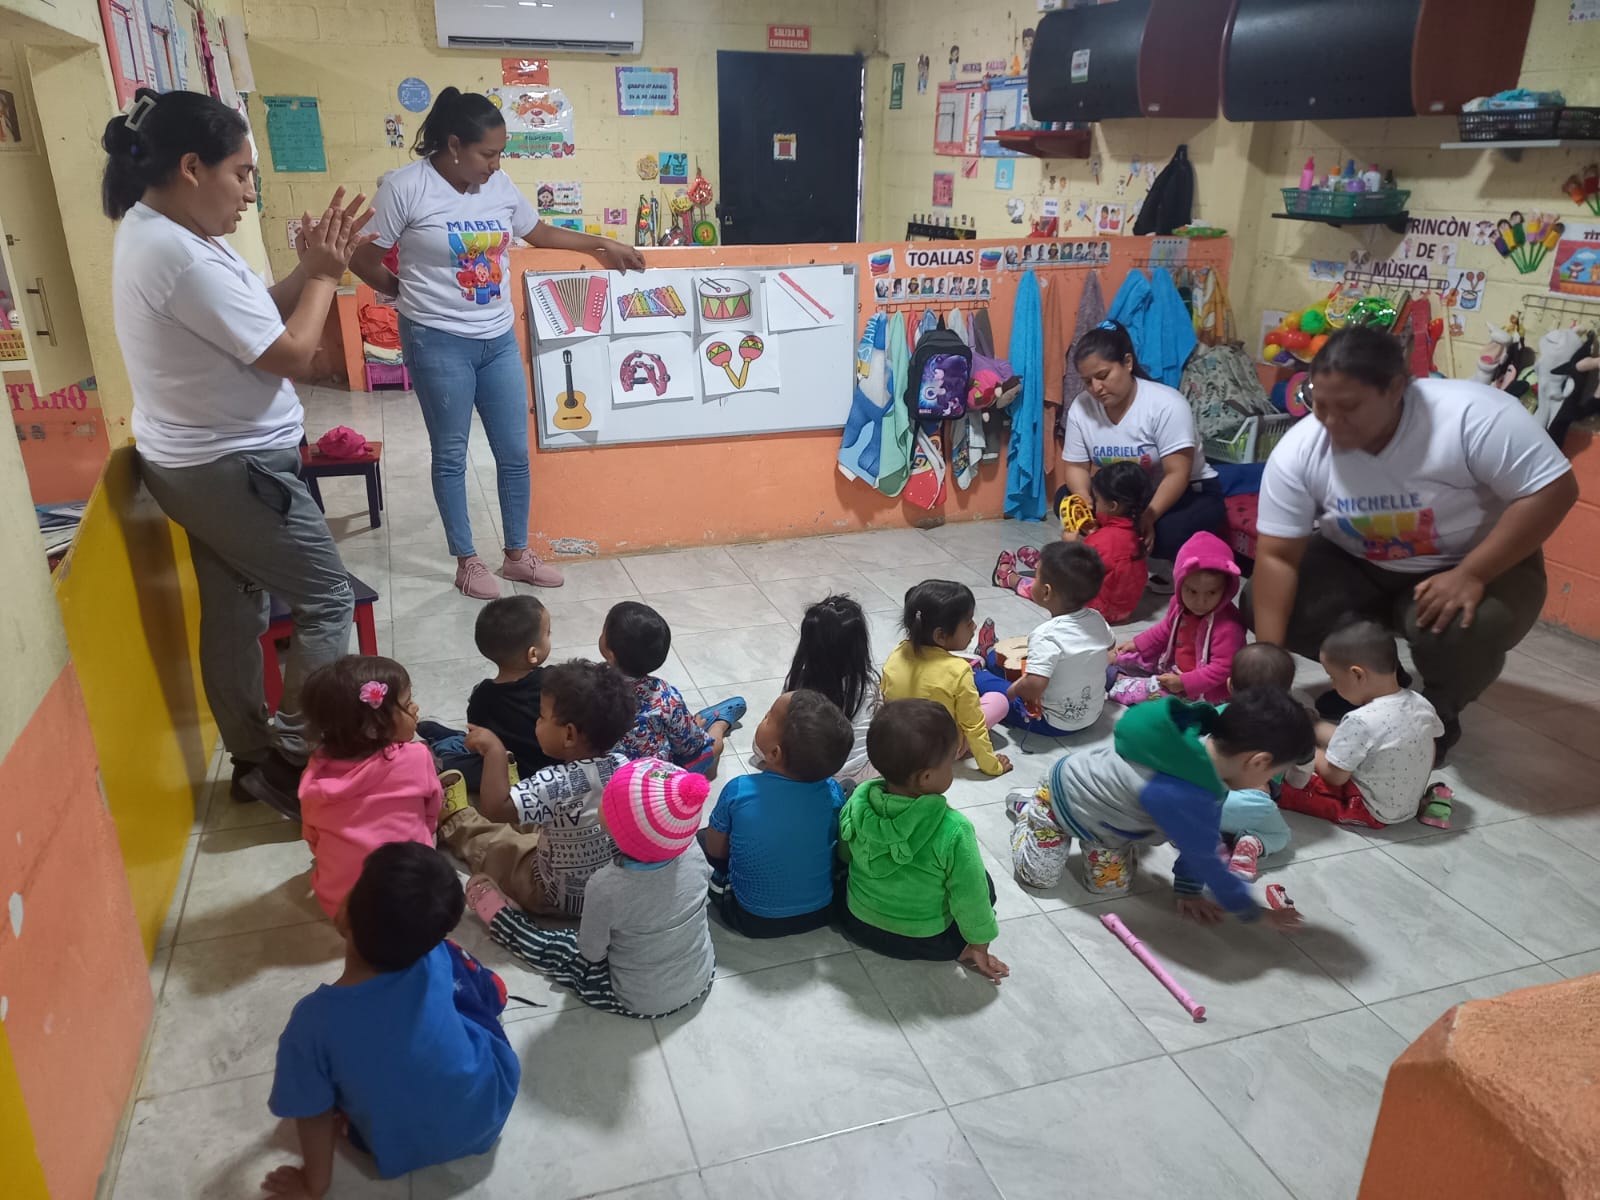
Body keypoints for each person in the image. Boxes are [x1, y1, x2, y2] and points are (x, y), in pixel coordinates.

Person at [105, 88, 374, 818]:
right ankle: (292, 758)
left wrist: (310, 268)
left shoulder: (167, 231)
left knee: (234, 608)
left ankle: (252, 756)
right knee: (326, 598)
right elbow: (292, 354)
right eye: (243, 174)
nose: (250, 192)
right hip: (231, 469)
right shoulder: (178, 255)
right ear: (192, 167)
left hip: (196, 464)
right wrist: (326, 276)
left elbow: (259, 314)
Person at [349, 88, 646, 600]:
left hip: (498, 339)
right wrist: (403, 291)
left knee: (513, 452)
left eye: (500, 153)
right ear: (454, 145)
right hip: (437, 339)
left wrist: (603, 244)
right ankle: (467, 561)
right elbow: (361, 255)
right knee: (451, 454)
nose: (496, 164)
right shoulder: (405, 188)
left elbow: (539, 232)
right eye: (488, 153)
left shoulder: (499, 185)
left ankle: (516, 556)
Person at [1250, 326, 1578, 764]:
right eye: (1319, 404)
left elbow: (1555, 491)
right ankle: (1379, 683)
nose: (1330, 422)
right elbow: (1277, 557)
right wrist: (1270, 672)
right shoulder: (1302, 449)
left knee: (1464, 626)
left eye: (1349, 408)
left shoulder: (1473, 416)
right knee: (1264, 600)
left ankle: (1436, 715)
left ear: (1396, 389)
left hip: (1474, 560)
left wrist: (1472, 574)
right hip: (1358, 561)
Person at [264, 843, 518, 1193]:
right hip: (489, 1107)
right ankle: (493, 991)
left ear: (346, 915)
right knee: (459, 971)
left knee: (332, 1090)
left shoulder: (312, 1023)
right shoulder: (436, 953)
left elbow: (310, 1110)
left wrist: (313, 1184)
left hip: (400, 1145)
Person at [1007, 689, 1311, 925]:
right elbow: (1205, 857)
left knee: (1110, 887)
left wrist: (1188, 890)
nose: (1270, 782)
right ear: (1258, 762)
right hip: (1061, 798)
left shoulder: (1211, 732)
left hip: (1108, 827)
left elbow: (1200, 840)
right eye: (1274, 774)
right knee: (1040, 878)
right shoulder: (1192, 793)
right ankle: (1029, 810)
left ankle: (1082, 829)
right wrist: (1254, 912)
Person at [464, 758, 716, 1018]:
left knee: (558, 948)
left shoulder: (607, 885)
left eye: (608, 801)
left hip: (636, 998)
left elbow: (591, 953)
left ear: (621, 831)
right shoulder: (694, 851)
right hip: (700, 975)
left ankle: (506, 921)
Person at [441, 660, 634, 916]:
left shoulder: (554, 782)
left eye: (541, 716)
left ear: (569, 735)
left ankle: (456, 819)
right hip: (605, 889)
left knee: (497, 845)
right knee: (552, 817)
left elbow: (495, 809)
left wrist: (494, 751)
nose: (537, 723)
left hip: (552, 895)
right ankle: (519, 794)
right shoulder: (624, 767)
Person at [837, 700, 1009, 981]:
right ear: (927, 777)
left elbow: (845, 855)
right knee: (982, 883)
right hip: (927, 940)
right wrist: (979, 943)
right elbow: (971, 897)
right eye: (950, 764)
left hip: (858, 923)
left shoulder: (857, 803)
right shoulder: (953, 829)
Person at [1061, 320, 1225, 575]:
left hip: (1186, 492)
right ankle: (1111, 556)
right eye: (1087, 381)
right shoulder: (1082, 407)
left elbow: (1177, 474)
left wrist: (1148, 517)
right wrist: (1084, 501)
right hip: (1129, 496)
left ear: (1127, 363)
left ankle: (1166, 568)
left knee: (1164, 531)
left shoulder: (1166, 405)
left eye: (1103, 376)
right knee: (1066, 499)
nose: (1096, 388)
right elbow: (1076, 466)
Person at [700, 691, 854, 937]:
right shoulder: (833, 792)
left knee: (703, 838)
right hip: (822, 911)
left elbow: (716, 851)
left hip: (750, 918)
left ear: (774, 754)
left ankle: (722, 886)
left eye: (768, 717)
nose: (763, 717)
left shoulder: (739, 790)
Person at [297, 656, 440, 918]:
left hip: (341, 907)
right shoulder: (417, 757)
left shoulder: (313, 779)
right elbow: (431, 815)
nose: (415, 707)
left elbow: (312, 836)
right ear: (374, 728)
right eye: (408, 702)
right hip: (413, 900)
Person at [1278, 620, 1448, 830]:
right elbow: (1430, 748)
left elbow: (1335, 777)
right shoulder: (1420, 704)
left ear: (1357, 674)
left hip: (1368, 808)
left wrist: (1307, 751)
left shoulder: (1361, 720)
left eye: (1333, 677)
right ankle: (1310, 725)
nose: (1333, 685)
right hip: (1409, 802)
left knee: (1283, 785)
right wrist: (1313, 727)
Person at [973, 542, 1115, 735]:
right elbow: (1111, 647)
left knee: (981, 679)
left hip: (1050, 722)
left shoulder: (1046, 635)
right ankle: (989, 655)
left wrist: (1013, 691)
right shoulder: (1097, 619)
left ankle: (976, 669)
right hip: (1092, 714)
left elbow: (1034, 687)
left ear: (1046, 592)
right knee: (1005, 662)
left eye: (1036, 577)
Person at [418, 595, 555, 790]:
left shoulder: (481, 696)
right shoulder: (556, 682)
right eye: (548, 633)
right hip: (545, 773)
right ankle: (448, 742)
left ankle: (448, 741)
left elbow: (479, 744)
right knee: (450, 764)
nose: (550, 637)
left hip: (500, 769)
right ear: (533, 654)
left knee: (451, 765)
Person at [992, 460, 1153, 625]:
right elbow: (1113, 554)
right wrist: (1094, 535)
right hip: (1125, 611)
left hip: (1094, 611)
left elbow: (1072, 570)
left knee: (1047, 589)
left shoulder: (1101, 541)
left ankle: (1008, 578)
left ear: (1113, 506)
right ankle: (1043, 564)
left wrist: (1069, 545)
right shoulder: (1139, 533)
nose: (1095, 505)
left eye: (1097, 500)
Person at [882, 581, 1014, 777]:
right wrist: (992, 766)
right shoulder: (958, 671)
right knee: (999, 701)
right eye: (968, 622)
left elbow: (884, 701)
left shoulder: (897, 653)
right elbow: (974, 726)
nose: (974, 626)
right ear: (941, 635)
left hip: (902, 746)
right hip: (942, 753)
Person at [601, 601, 744, 776]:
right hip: (656, 778)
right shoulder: (664, 696)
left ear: (610, 653)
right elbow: (689, 747)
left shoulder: (590, 687)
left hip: (607, 778)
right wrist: (695, 735)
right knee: (709, 747)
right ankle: (719, 725)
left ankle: (695, 724)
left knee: (678, 727)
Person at [1109, 530, 1245, 706]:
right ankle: (1112, 668)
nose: (1200, 602)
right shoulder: (1178, 603)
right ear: (1180, 584)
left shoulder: (1228, 627)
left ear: (1225, 589)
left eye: (1211, 593)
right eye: (1192, 591)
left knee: (1155, 694)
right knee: (1127, 655)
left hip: (1202, 688)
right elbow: (1165, 628)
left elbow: (1222, 669)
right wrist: (1137, 644)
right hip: (1173, 664)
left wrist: (1184, 682)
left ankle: (1119, 683)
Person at [764, 594, 881, 787]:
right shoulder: (868, 685)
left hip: (804, 771)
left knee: (764, 740)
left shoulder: (798, 683)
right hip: (857, 773)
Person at [1216, 642, 1298, 880]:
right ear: (1287, 693)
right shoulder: (1289, 725)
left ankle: (1211, 838)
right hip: (1254, 801)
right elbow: (1299, 774)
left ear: (1230, 685)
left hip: (1208, 798)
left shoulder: (1218, 713)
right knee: (1280, 835)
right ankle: (1252, 843)